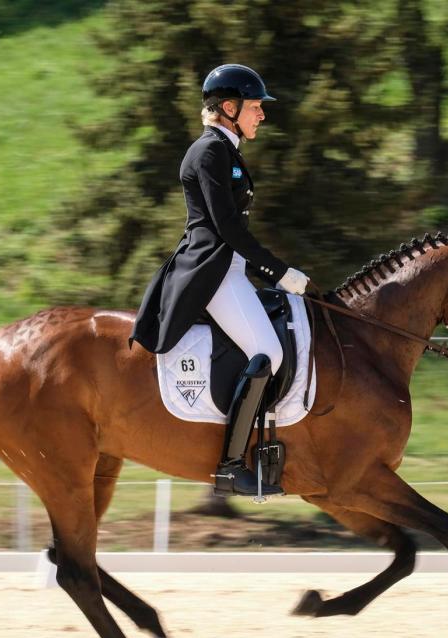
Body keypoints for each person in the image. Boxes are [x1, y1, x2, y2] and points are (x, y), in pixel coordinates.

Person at [130, 64, 310, 497]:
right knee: (267, 352)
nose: (261, 116)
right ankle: (230, 465)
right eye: (254, 108)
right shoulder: (209, 152)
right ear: (229, 108)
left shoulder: (225, 150)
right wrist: (278, 270)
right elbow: (227, 227)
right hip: (212, 273)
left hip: (228, 270)